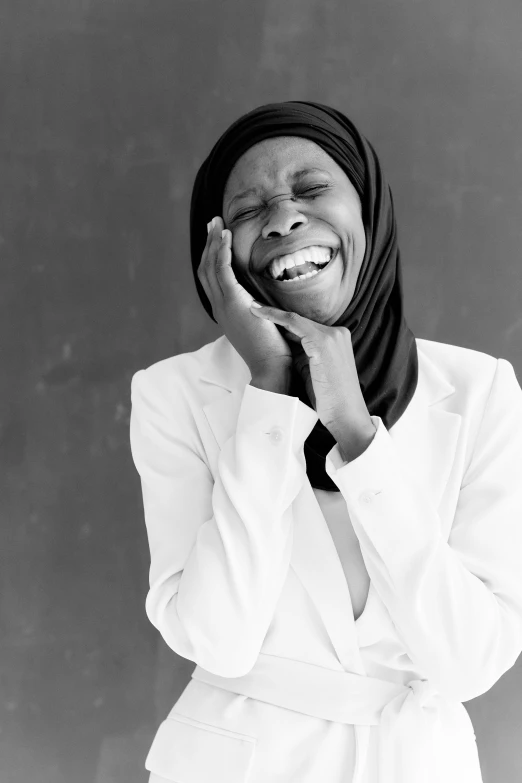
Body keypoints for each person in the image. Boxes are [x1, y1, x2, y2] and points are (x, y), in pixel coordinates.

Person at [129, 101, 522, 783]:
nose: (283, 218)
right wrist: (271, 394)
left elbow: (470, 660)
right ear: (216, 247)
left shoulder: (483, 390)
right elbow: (219, 639)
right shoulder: (174, 394)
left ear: (368, 208)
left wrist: (357, 432)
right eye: (250, 209)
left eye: (311, 190)